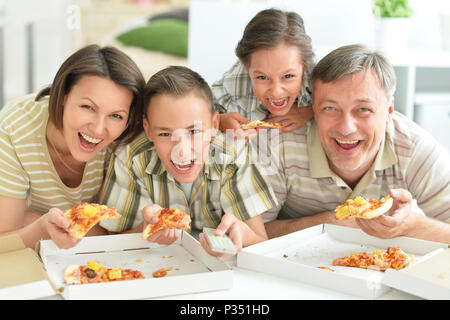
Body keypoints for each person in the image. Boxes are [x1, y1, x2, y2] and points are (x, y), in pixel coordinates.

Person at [262, 44, 450, 243]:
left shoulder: (415, 149)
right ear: (313, 109)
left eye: (363, 110)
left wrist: (411, 225)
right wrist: (327, 223)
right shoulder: (279, 145)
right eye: (330, 108)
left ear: (388, 111)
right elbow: (248, 234)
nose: (346, 128)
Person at [99, 66, 278, 257]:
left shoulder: (233, 154)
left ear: (214, 125)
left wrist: (242, 235)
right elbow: (112, 241)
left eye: (194, 132)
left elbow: (261, 241)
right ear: (148, 129)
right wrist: (145, 229)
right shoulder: (130, 160)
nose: (182, 151)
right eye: (165, 133)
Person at [0, 44, 146, 249]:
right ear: (62, 96)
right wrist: (43, 227)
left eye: (116, 115)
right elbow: (4, 239)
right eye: (88, 107)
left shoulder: (124, 139)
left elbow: (118, 233)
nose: (98, 128)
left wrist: (28, 220)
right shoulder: (16, 126)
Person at [212, 8, 315, 139]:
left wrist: (311, 111)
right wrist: (219, 121)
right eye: (262, 77)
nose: (276, 92)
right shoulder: (231, 86)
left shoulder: (317, 77)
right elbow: (191, 118)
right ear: (246, 68)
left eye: (288, 76)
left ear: (304, 66)